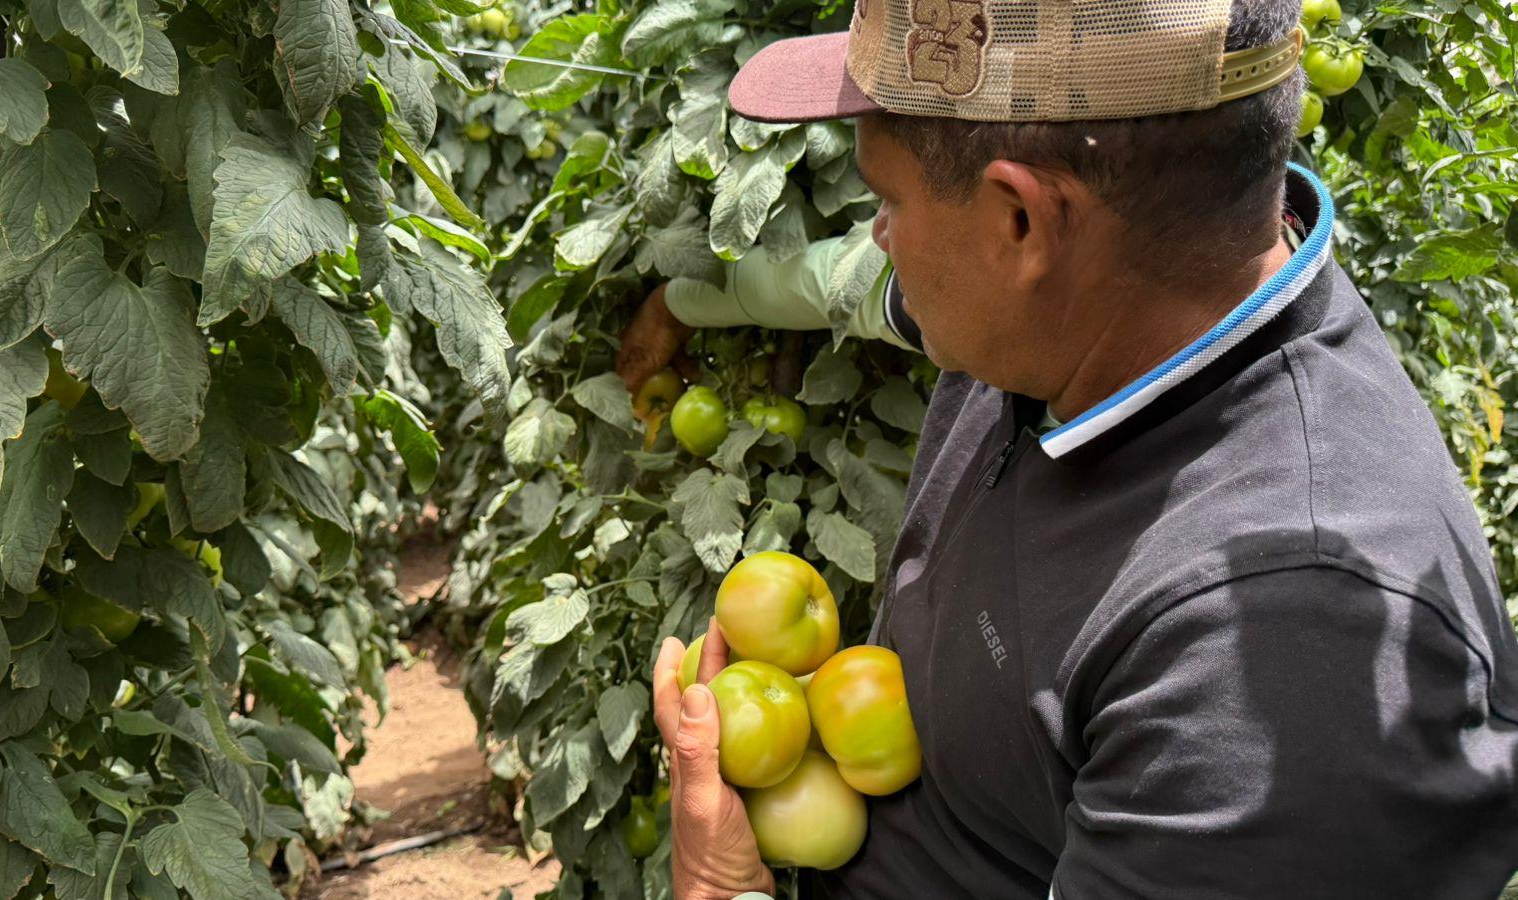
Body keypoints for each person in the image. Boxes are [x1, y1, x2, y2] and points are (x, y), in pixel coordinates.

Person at [619, 0, 1518, 897]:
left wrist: (719, 884)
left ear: (1020, 223)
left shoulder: (1280, 668)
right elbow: (854, 287)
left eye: (885, 199)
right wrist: (682, 305)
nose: (880, 236)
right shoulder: (1113, 297)